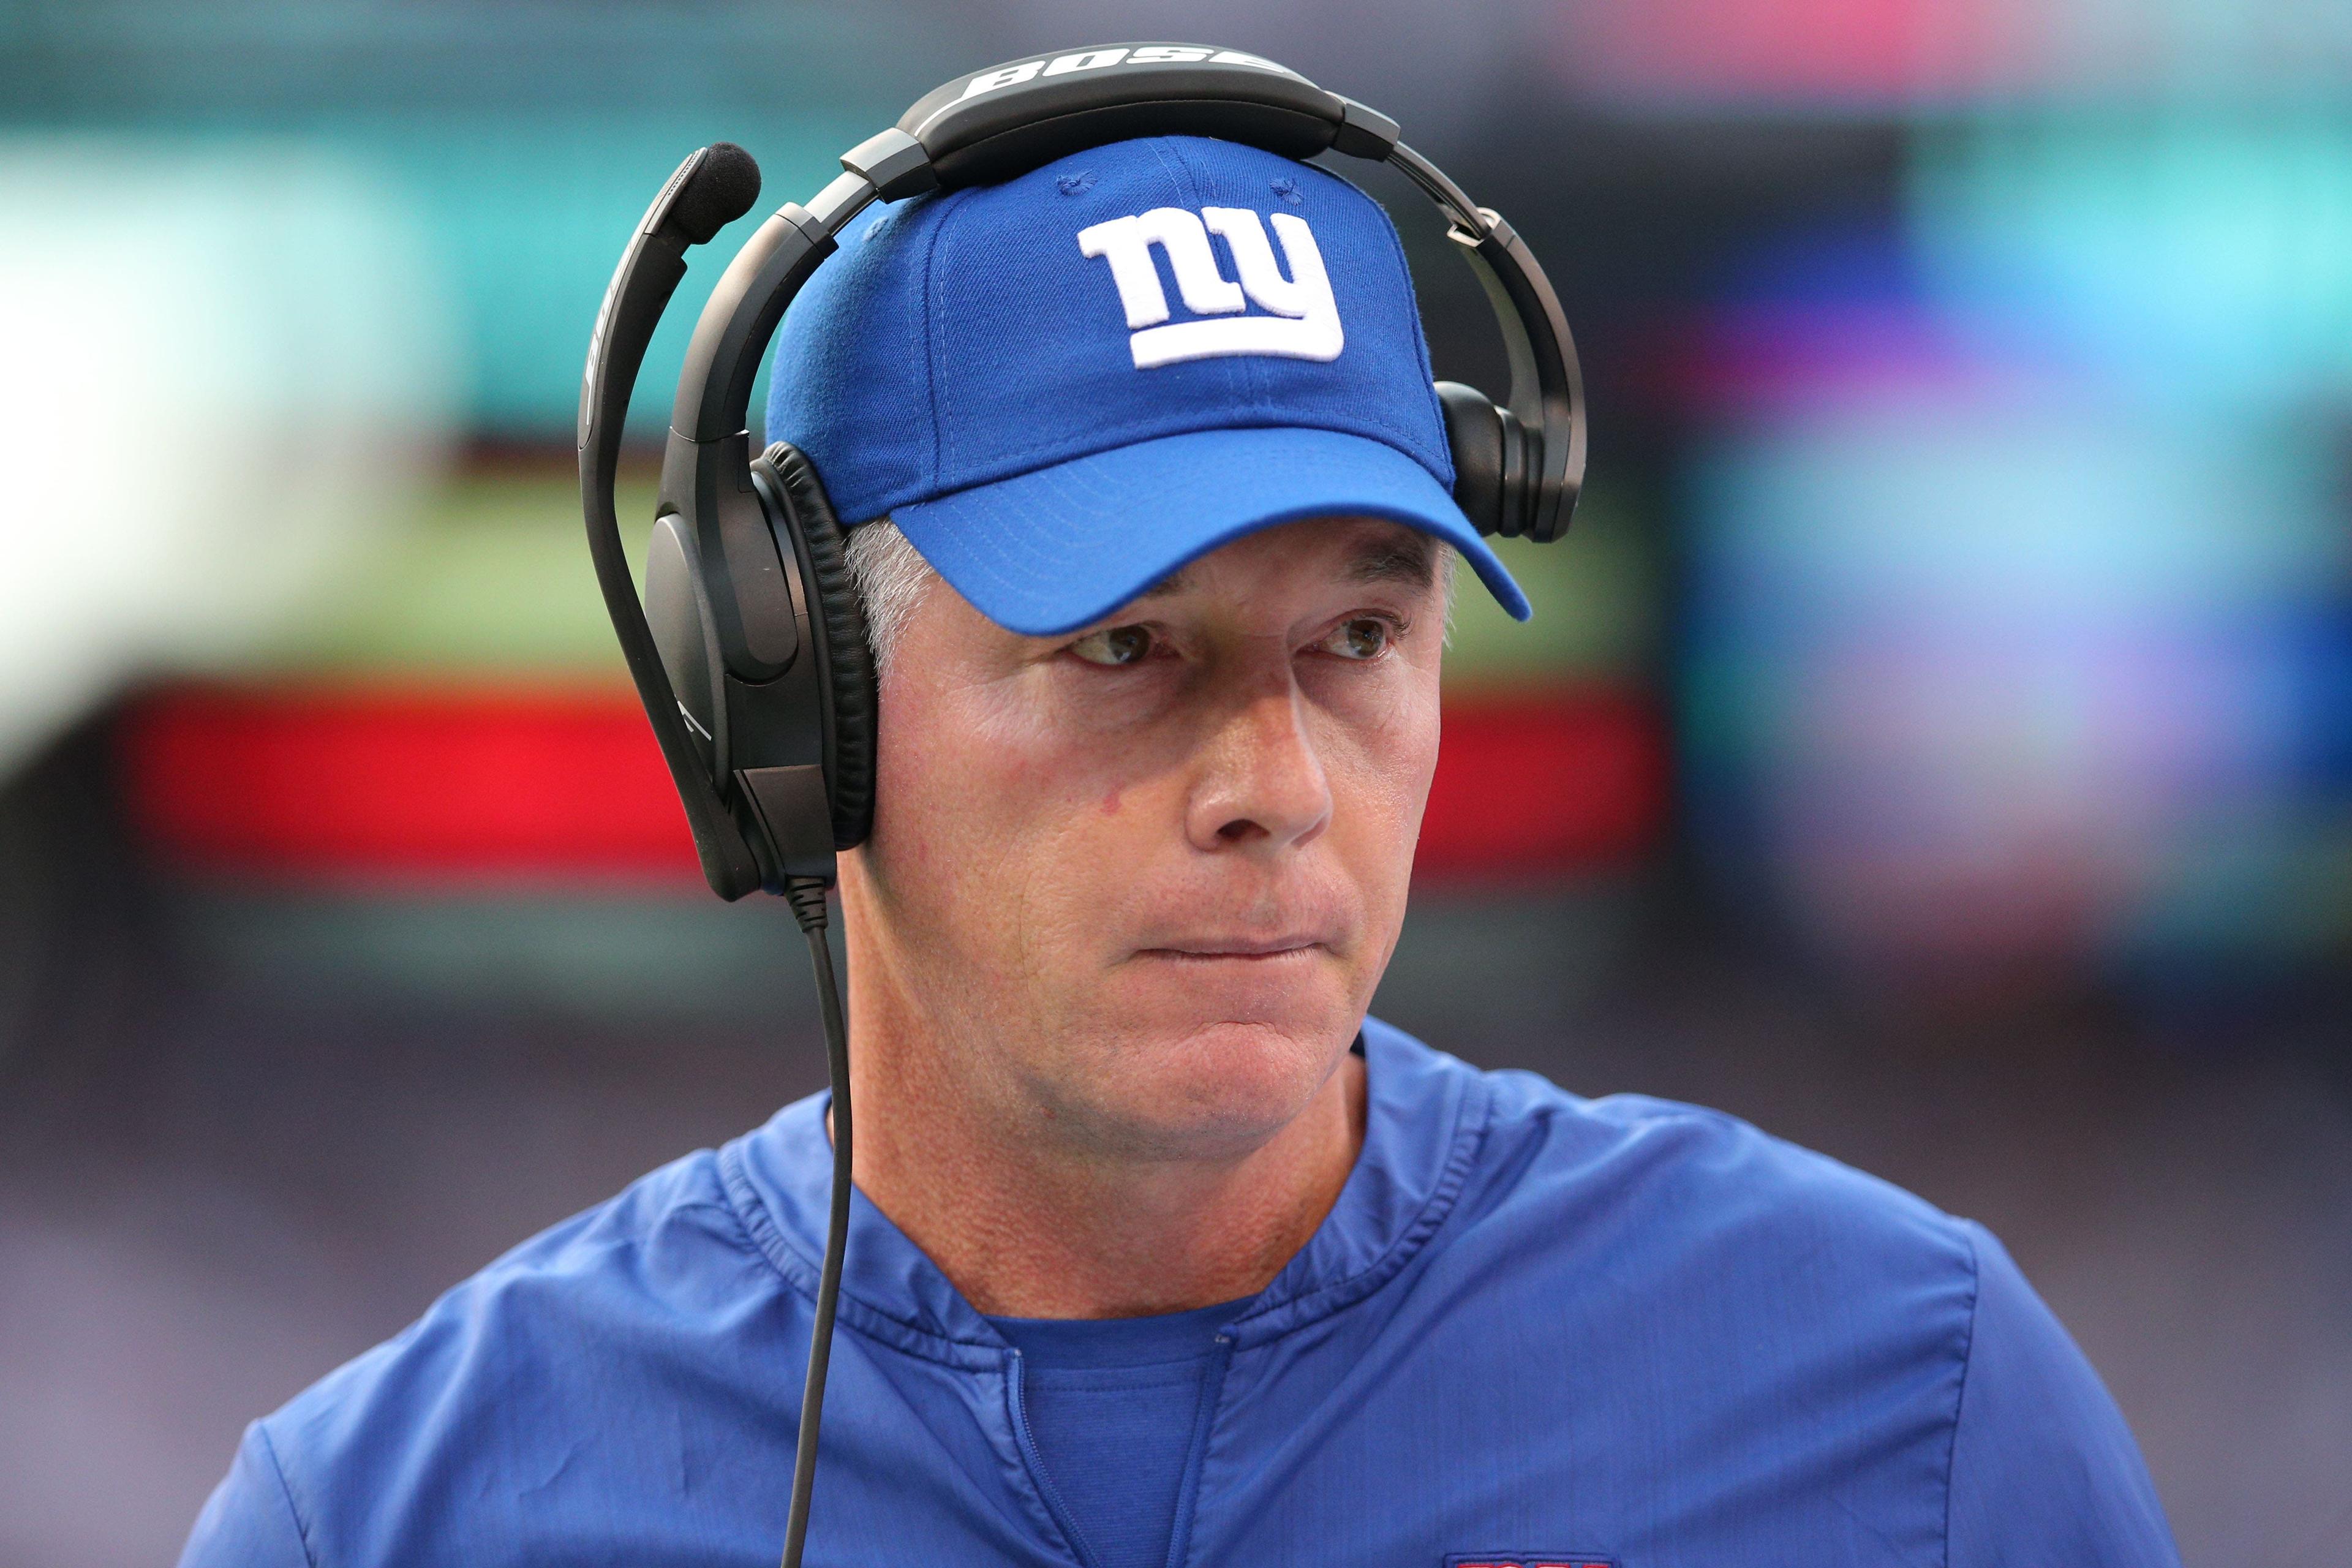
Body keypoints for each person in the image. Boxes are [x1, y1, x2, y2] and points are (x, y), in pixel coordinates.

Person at [179, 133, 2179, 1568]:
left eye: (1362, 639)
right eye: (1122, 645)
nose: (1278, 780)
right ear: (798, 703)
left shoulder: (1908, 1410)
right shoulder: (386, 1516)